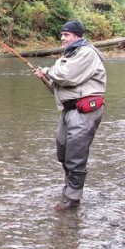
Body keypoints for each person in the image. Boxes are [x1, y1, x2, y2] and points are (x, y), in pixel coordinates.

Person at [35, 20, 107, 211]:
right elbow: (61, 89)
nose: (62, 38)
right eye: (62, 34)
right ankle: (69, 187)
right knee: (63, 152)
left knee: (75, 155)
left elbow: (65, 76)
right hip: (69, 110)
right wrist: (45, 79)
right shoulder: (69, 55)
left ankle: (73, 198)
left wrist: (48, 71)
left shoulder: (86, 53)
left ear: (77, 36)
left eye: (66, 35)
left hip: (84, 111)